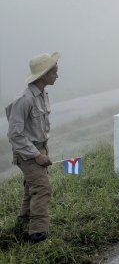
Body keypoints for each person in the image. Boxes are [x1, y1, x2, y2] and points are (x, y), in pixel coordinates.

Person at [6, 52, 60, 243]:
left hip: (40, 148)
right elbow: (14, 134)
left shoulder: (43, 95)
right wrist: (37, 155)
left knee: (32, 188)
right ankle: (38, 235)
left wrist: (43, 151)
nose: (57, 75)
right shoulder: (24, 99)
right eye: (54, 72)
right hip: (28, 152)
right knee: (42, 188)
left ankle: (22, 227)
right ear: (44, 74)